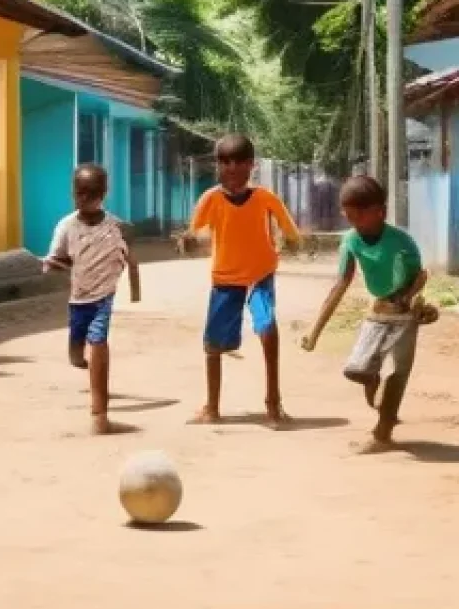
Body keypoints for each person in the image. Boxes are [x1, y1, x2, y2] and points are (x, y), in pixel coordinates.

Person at [300, 175, 436, 451]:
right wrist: (315, 331)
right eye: (349, 217)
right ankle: (382, 404)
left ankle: (381, 433)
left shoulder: (402, 242)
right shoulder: (351, 241)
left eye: (360, 217)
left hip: (405, 314)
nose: (355, 224)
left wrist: (414, 300)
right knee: (358, 369)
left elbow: (420, 276)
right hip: (377, 312)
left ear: (380, 212)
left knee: (398, 372)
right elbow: (340, 285)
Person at [177, 134, 301, 427]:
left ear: (251, 165)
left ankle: (273, 403)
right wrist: (188, 242)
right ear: (217, 165)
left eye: (237, 162)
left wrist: (292, 241)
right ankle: (212, 406)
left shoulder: (264, 198)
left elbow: (288, 228)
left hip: (260, 275)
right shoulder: (210, 199)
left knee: (267, 329)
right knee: (214, 345)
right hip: (225, 278)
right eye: (224, 161)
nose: (231, 168)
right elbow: (194, 234)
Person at [43, 164, 141, 436]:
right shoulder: (66, 226)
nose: (85, 198)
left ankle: (99, 413)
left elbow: (129, 259)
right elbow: (59, 257)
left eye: (92, 193)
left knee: (98, 340)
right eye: (80, 192)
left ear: (104, 194)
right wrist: (51, 266)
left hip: (102, 298)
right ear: (73, 193)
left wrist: (134, 289)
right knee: (77, 352)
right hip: (78, 300)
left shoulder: (116, 228)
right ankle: (80, 359)